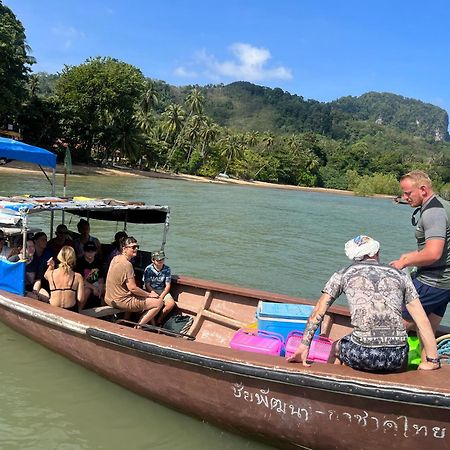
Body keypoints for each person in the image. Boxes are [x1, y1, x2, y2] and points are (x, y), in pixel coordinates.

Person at [288, 235, 440, 372]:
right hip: (397, 356)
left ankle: (331, 385)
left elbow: (319, 311)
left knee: (336, 346)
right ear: (376, 252)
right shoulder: (400, 275)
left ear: (354, 257)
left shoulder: (343, 273)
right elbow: (422, 320)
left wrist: (304, 345)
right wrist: (433, 360)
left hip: (362, 354)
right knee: (400, 346)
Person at [390, 170, 450, 333]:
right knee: (427, 334)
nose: (405, 197)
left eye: (408, 193)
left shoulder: (433, 212)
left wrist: (405, 262)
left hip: (432, 282)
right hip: (444, 284)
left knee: (393, 328)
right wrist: (409, 256)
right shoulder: (444, 205)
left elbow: (433, 253)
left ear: (423, 189)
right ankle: (430, 359)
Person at [104, 236, 163, 327]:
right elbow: (133, 288)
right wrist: (149, 294)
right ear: (124, 249)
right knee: (158, 302)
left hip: (109, 298)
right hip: (121, 301)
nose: (136, 249)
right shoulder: (127, 265)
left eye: (137, 247)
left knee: (139, 295)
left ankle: (125, 321)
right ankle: (138, 326)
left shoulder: (115, 258)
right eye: (133, 247)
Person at [43, 246, 84, 312]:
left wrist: (51, 266)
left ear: (59, 257)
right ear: (73, 258)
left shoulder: (51, 274)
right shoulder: (78, 277)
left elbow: (45, 275)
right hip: (70, 310)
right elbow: (81, 299)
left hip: (53, 309)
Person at [142, 250, 175, 325]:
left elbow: (167, 285)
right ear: (153, 260)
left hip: (162, 290)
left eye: (162, 259)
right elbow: (147, 285)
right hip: (151, 290)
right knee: (152, 304)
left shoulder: (167, 269)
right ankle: (153, 323)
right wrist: (153, 293)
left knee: (171, 303)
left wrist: (162, 296)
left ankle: (159, 320)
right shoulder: (148, 269)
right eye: (158, 259)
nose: (160, 261)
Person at [75, 241, 105, 310]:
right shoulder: (79, 262)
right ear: (84, 251)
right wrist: (93, 288)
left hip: (95, 283)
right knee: (87, 291)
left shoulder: (99, 262)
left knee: (105, 289)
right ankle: (79, 310)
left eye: (92, 251)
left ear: (95, 251)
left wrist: (101, 286)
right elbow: (80, 279)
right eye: (88, 251)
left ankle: (103, 310)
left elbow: (101, 277)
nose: (90, 253)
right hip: (83, 284)